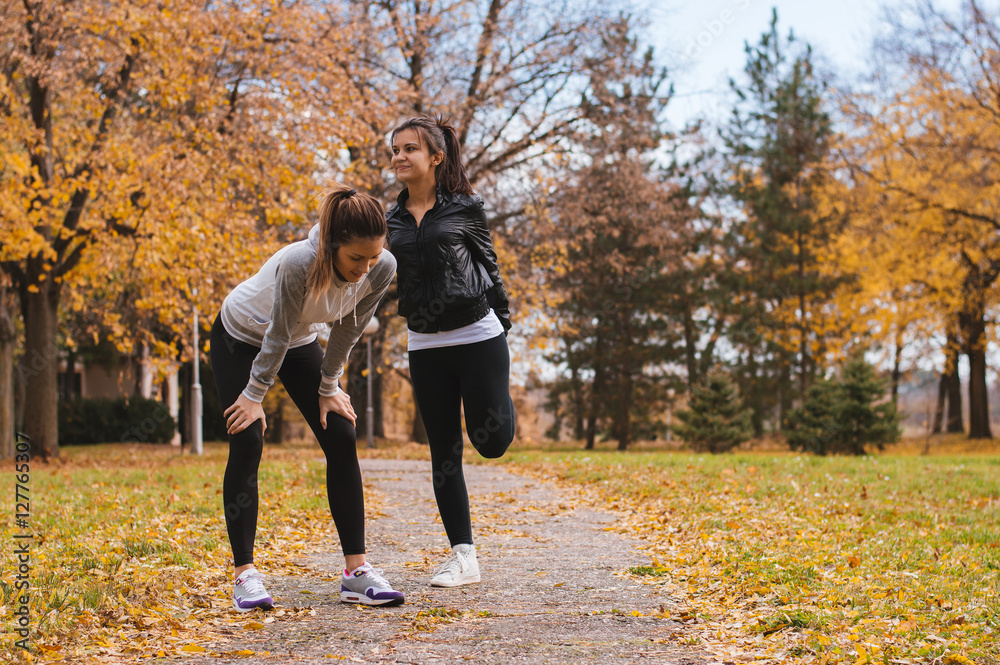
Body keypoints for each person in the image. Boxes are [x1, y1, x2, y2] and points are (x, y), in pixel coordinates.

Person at [210, 183, 405, 611]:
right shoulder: (300, 261)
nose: (365, 268)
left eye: (372, 257)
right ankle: (245, 574)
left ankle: (356, 573)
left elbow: (348, 329)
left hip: (296, 340)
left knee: (340, 432)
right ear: (333, 246)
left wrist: (329, 386)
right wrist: (253, 395)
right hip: (239, 336)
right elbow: (275, 334)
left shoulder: (382, 266)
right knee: (248, 437)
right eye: (356, 258)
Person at [385, 116, 517, 588]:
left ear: (435, 157)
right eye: (394, 150)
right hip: (424, 344)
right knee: (443, 451)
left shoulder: (465, 209)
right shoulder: (391, 220)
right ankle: (464, 555)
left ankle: (501, 405)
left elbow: (490, 266)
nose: (399, 156)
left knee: (493, 442)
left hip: (478, 337)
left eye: (409, 149)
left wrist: (501, 325)